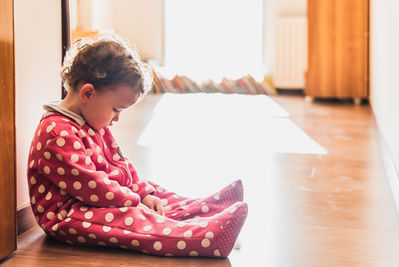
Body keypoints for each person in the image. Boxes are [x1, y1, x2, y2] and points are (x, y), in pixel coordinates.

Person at [27, 35, 248, 258]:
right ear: (88, 93)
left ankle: (205, 208)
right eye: (116, 109)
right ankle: (203, 237)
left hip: (102, 199)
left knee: (154, 193)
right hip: (70, 215)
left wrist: (144, 194)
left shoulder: (93, 123)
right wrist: (133, 201)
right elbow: (92, 186)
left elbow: (120, 165)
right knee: (134, 218)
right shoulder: (56, 133)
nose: (117, 119)